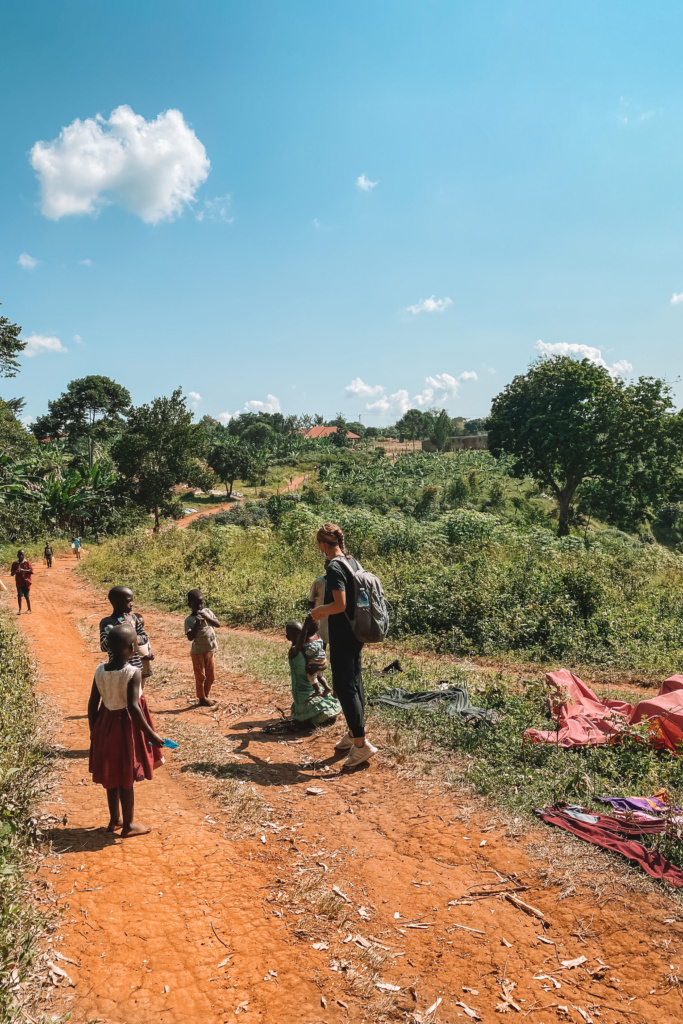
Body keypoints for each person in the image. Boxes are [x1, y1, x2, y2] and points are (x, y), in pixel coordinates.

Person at [308, 523, 377, 767]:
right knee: (355, 682)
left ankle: (361, 745)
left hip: (344, 635)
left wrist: (319, 611)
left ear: (322, 544)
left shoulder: (335, 566)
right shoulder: (351, 560)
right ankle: (354, 732)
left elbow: (340, 605)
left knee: (345, 686)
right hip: (356, 632)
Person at [88, 622, 164, 837]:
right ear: (132, 647)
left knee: (111, 774)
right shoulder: (133, 672)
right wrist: (151, 734)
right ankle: (129, 825)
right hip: (126, 730)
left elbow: (93, 702)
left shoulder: (99, 670)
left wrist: (94, 730)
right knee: (126, 776)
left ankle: (114, 820)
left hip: (104, 725)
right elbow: (132, 707)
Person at [285, 620, 340, 725]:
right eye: (296, 634)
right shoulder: (294, 651)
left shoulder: (308, 649)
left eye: (300, 633)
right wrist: (305, 626)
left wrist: (320, 666)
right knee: (316, 713)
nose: (299, 636)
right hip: (302, 694)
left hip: (309, 691)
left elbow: (323, 661)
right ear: (288, 638)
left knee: (321, 708)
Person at [99, 586, 149, 674]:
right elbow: (103, 647)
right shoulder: (107, 623)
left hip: (136, 668)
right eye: (129, 601)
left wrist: (131, 637)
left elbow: (144, 637)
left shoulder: (133, 618)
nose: (132, 604)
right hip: (116, 669)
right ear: (117, 602)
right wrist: (115, 631)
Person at [185, 589, 220, 707]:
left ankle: (206, 695)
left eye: (201, 603)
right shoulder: (189, 620)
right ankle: (202, 698)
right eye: (196, 604)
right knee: (200, 676)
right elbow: (190, 637)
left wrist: (208, 618)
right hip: (197, 653)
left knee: (211, 676)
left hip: (209, 650)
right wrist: (196, 624)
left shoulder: (208, 612)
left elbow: (218, 624)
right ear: (190, 605)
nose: (199, 607)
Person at [308, 573, 329, 648]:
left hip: (332, 617)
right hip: (320, 618)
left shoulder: (339, 582)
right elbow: (311, 601)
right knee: (320, 642)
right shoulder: (318, 582)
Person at [134, 612, 155, 685]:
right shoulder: (131, 639)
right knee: (135, 684)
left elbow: (148, 647)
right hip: (135, 666)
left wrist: (151, 655)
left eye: (142, 625)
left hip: (145, 666)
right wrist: (143, 657)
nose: (140, 628)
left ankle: (140, 695)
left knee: (142, 684)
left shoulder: (144, 637)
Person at [10, 550, 33, 614]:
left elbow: (31, 571)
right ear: (17, 555)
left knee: (27, 596)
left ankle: (29, 609)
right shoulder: (15, 563)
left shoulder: (27, 562)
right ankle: (19, 610)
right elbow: (11, 573)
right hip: (19, 582)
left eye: (22, 555)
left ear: (24, 555)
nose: (20, 556)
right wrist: (15, 572)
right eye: (19, 555)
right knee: (19, 595)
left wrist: (23, 570)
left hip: (26, 581)